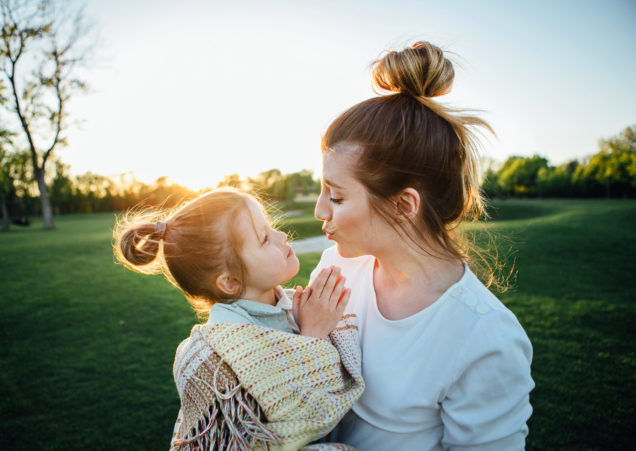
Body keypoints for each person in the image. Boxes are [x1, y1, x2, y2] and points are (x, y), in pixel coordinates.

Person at [312, 41, 535, 450]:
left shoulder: (485, 337)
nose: (319, 210)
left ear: (404, 205)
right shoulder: (334, 271)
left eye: (337, 196)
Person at [113, 188, 363, 450]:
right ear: (230, 282)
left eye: (271, 227)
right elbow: (268, 437)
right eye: (265, 238)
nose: (281, 235)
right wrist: (313, 337)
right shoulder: (216, 357)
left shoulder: (290, 308)